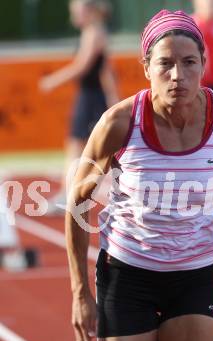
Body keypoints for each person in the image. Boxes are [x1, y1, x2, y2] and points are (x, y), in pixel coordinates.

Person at [65, 9, 213, 341]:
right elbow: (77, 202)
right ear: (146, 66)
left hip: (194, 275)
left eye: (188, 63)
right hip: (127, 273)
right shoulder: (119, 122)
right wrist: (80, 292)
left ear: (204, 62)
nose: (178, 76)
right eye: (165, 64)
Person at [39, 0, 118, 213]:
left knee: (83, 146)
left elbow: (82, 66)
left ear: (90, 11)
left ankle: (69, 195)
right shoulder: (93, 32)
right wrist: (112, 96)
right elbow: (106, 69)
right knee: (82, 146)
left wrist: (53, 80)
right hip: (89, 96)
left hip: (92, 98)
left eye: (76, 11)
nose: (73, 16)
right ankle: (70, 193)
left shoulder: (94, 32)